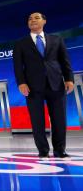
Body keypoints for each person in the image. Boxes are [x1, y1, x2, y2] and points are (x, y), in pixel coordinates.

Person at [13, 12, 74, 159]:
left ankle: (60, 150)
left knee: (59, 119)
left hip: (56, 83)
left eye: (36, 18)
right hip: (33, 87)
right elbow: (17, 66)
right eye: (30, 19)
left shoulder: (56, 39)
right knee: (37, 120)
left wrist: (69, 79)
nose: (32, 20)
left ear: (44, 21)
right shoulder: (21, 43)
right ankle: (43, 151)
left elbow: (65, 61)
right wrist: (21, 83)